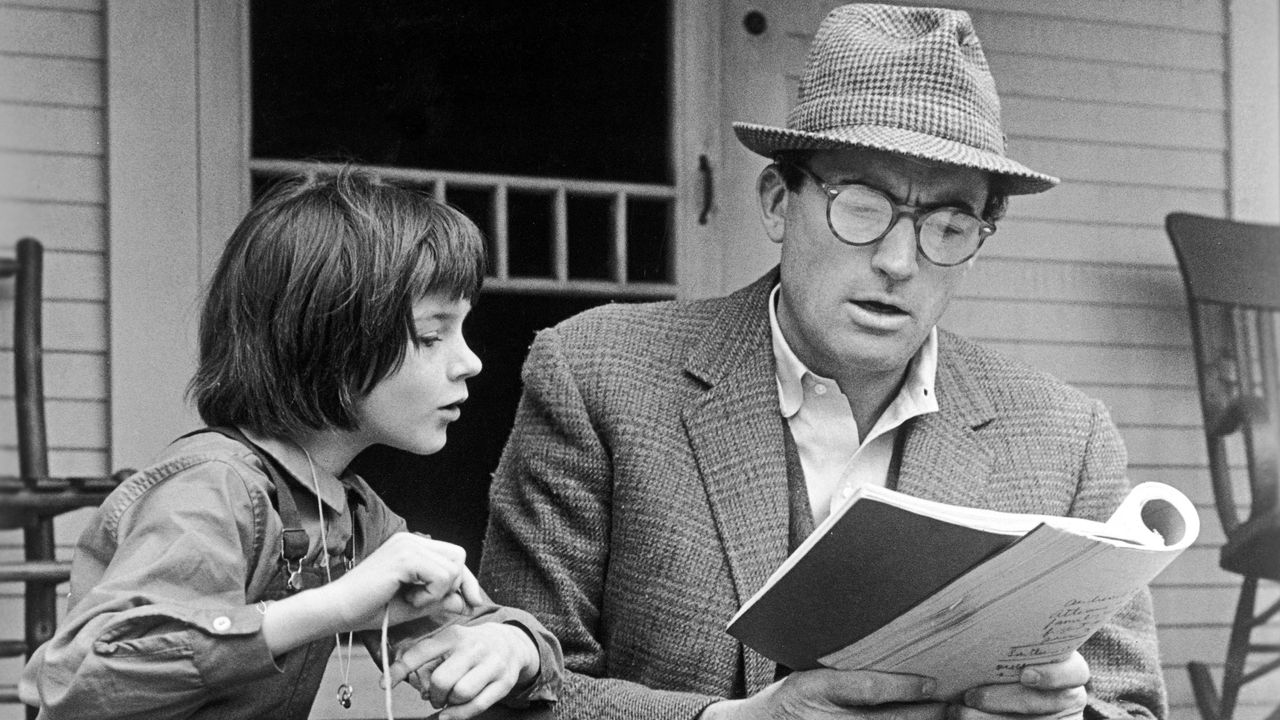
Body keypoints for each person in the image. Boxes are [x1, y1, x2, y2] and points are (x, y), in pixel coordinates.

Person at [478, 4, 1165, 720]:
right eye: (861, 207)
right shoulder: (598, 376)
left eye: (950, 225)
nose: (900, 262)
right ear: (778, 202)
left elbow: (1132, 707)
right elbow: (517, 690)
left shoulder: (1066, 439)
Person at [19, 168, 562, 720]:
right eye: (431, 334)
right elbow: (86, 681)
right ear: (327, 339)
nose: (470, 361)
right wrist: (334, 606)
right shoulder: (212, 487)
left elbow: (470, 629)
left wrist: (514, 645)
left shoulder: (356, 516)